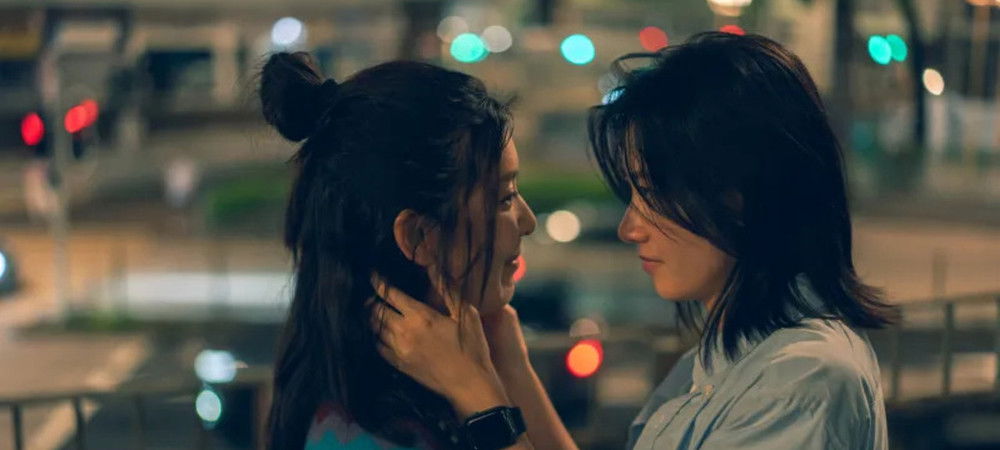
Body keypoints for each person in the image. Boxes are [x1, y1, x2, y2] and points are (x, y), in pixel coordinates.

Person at [372, 32, 898, 449]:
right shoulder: (723, 360)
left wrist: (477, 397)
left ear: (739, 193)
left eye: (650, 194)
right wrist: (509, 363)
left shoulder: (800, 383)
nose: (629, 228)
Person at [258, 52, 545, 449]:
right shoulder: (364, 437)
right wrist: (480, 395)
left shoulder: (426, 393)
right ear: (419, 237)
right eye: (505, 199)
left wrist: (510, 369)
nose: (528, 221)